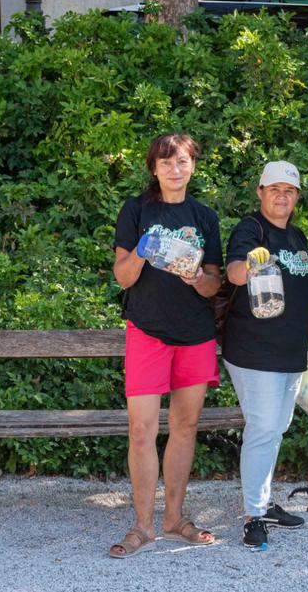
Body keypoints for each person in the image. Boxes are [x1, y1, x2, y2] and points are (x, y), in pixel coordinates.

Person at [109, 133, 223, 558]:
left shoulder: (204, 217)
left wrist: (198, 278)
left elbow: (214, 284)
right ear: (154, 168)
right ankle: (142, 526)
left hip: (194, 334)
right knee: (141, 430)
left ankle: (174, 519)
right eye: (166, 162)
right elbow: (123, 277)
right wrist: (143, 247)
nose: (175, 169)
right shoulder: (136, 210)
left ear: (193, 165)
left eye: (182, 161)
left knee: (185, 427)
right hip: (147, 330)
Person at [222, 160, 308, 549]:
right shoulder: (253, 229)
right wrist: (248, 265)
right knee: (263, 429)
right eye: (274, 189)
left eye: (289, 191)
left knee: (275, 429)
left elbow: (301, 289)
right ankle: (253, 516)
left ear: (296, 196)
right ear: (261, 192)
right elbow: (233, 271)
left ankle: (264, 503)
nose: (282, 196)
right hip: (255, 349)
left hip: (291, 350)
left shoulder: (297, 237)